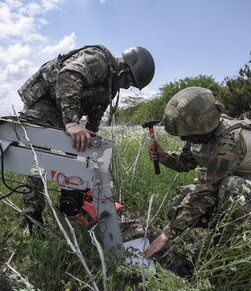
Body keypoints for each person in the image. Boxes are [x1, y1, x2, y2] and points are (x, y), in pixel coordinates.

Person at [16, 45, 155, 232]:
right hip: (44, 103)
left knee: (77, 155)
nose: (129, 86)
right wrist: (72, 124)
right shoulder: (99, 61)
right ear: (125, 69)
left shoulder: (110, 87)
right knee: (39, 157)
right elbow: (67, 75)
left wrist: (90, 146)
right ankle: (32, 216)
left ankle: (71, 201)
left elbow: (95, 116)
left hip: (61, 109)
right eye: (131, 81)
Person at [143, 87, 251, 259]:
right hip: (224, 193)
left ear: (201, 126)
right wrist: (164, 158)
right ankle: (220, 226)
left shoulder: (230, 142)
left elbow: (206, 191)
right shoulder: (201, 134)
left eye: (187, 135)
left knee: (231, 186)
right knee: (175, 208)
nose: (184, 140)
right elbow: (186, 163)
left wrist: (167, 234)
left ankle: (222, 250)